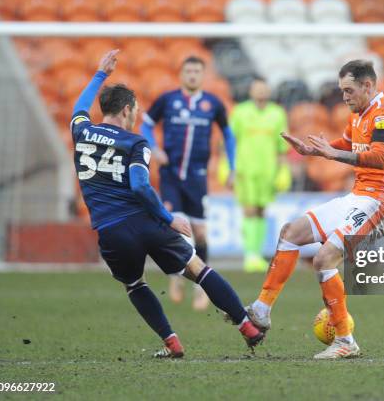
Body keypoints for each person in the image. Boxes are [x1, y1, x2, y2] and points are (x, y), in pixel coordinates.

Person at [72, 50, 263, 358]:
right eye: (134, 110)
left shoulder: (80, 131)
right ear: (125, 109)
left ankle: (171, 343)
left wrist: (99, 75)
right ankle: (247, 327)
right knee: (197, 268)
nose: (135, 116)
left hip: (110, 230)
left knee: (135, 284)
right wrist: (167, 218)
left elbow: (79, 108)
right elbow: (139, 186)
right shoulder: (135, 143)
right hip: (146, 221)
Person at [246, 60, 384, 359]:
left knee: (323, 259)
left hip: (380, 202)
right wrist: (316, 150)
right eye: (342, 91)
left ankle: (345, 340)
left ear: (367, 86)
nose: (344, 97)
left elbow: (380, 158)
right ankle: (261, 309)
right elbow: (345, 143)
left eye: (348, 90)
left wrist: (334, 155)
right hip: (357, 197)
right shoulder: (358, 115)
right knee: (290, 232)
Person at [140, 56, 236, 309]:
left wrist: (232, 167)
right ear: (181, 74)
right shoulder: (167, 100)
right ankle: (175, 276)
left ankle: (201, 285)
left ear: (202, 75)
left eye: (196, 71)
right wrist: (154, 148)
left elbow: (228, 135)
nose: (192, 75)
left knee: (200, 233)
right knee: (174, 228)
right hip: (171, 175)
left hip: (197, 177)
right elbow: (146, 126)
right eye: (188, 71)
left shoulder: (212, 103)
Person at [229, 76, 289, 272]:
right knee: (249, 209)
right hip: (245, 169)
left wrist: (282, 170)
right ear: (251, 91)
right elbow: (230, 140)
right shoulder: (240, 112)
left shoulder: (277, 113)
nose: (261, 92)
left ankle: (258, 254)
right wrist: (227, 166)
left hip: (268, 170)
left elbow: (282, 145)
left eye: (264, 88)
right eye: (258, 88)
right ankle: (250, 255)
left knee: (262, 209)